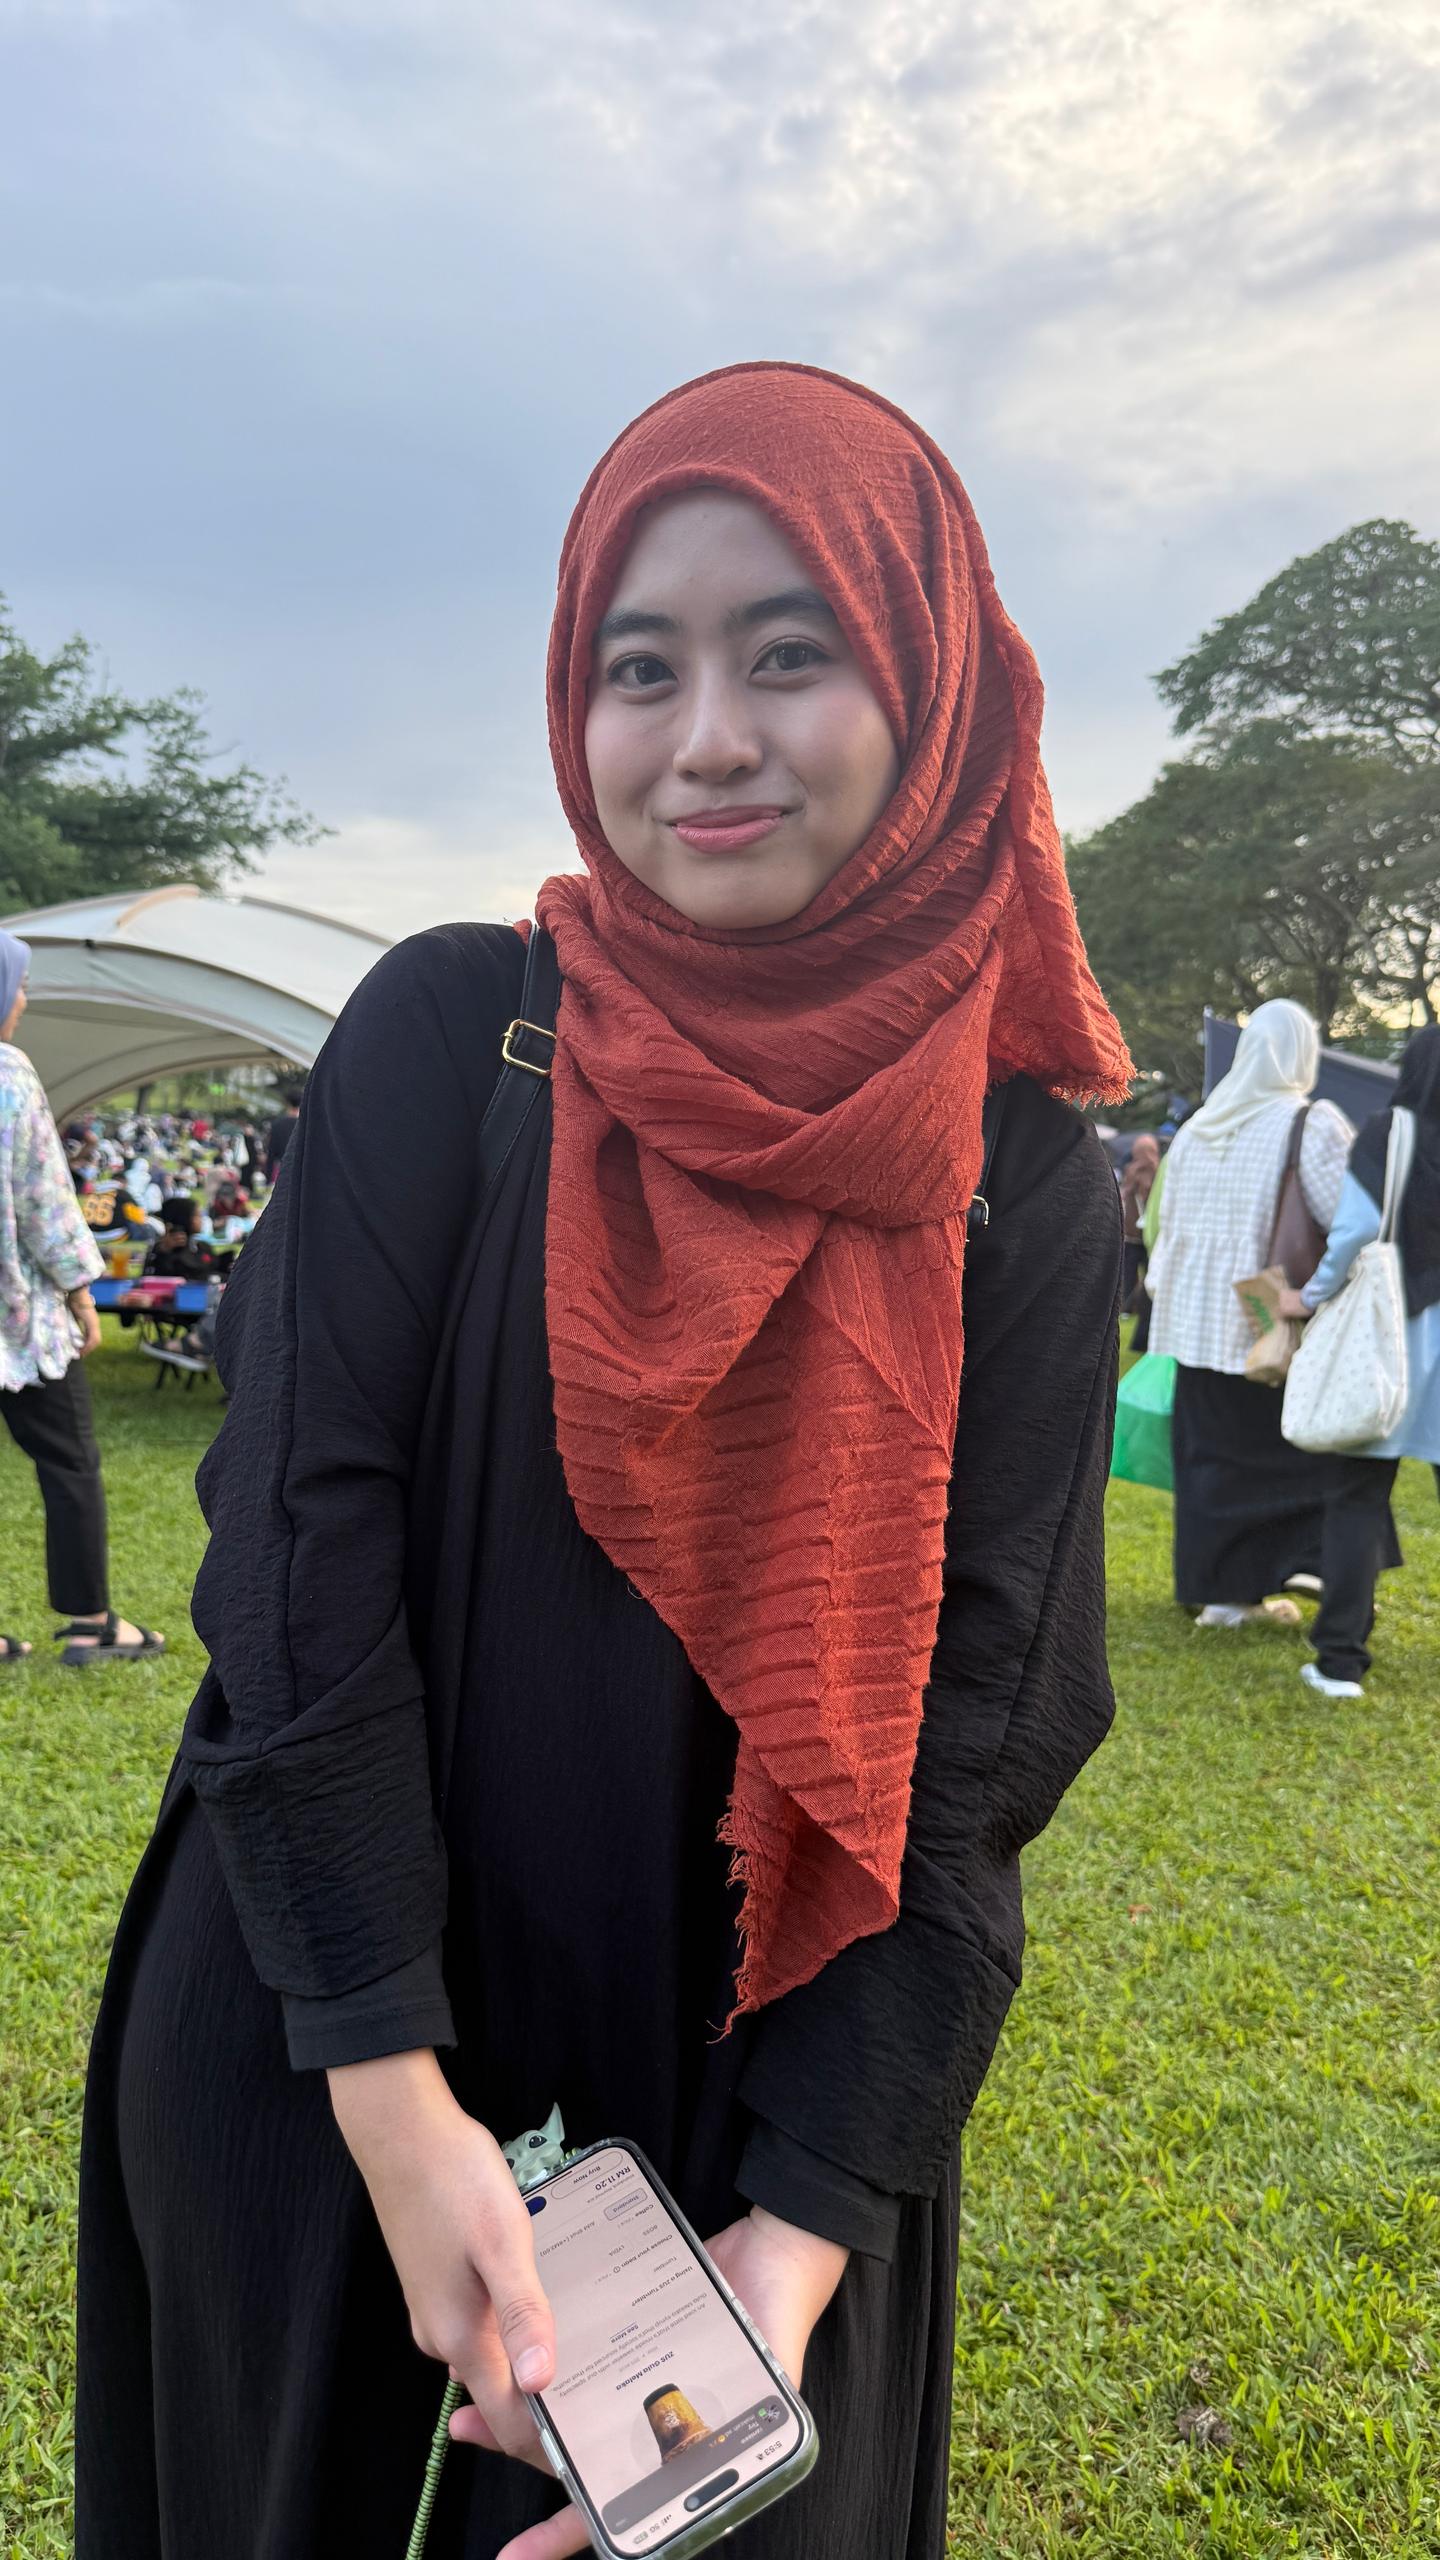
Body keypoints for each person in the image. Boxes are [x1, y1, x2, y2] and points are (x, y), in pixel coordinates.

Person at [78, 363, 1131, 2560]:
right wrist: (396, 2099)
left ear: (931, 677)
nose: (706, 737)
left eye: (790, 650)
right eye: (640, 667)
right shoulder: (450, 1028)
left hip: (748, 2114)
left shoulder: (1019, 1176)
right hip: (327, 2026)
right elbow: (292, 1552)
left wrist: (799, 2238)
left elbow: (985, 1726)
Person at [1146, 998, 1398, 1639]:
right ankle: (1314, 1564)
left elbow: (1165, 1225)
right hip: (1272, 1319)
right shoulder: (1311, 1122)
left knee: (1212, 1462)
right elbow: (1353, 1219)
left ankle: (1224, 1597)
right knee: (1311, 1451)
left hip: (1194, 1320)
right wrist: (1321, 1291)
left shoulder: (1198, 1128)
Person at [0, 927, 164, 1666]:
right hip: (19, 1319)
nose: (23, 1000)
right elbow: (43, 1201)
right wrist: (82, 1296)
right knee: (69, 1461)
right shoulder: (9, 1074)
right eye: (19, 985)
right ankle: (92, 1623)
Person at [1275, 1024, 1440, 1697]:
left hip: (1391, 1336)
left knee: (1356, 1499)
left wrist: (1309, 1296)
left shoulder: (1388, 1132)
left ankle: (1340, 1660)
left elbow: (1354, 1231)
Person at [1119, 1131, 1161, 1351]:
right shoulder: (1158, 1170)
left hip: (1134, 1231)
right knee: (1145, 1274)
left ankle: (1128, 1307)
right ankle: (1131, 1307)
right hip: (1145, 1232)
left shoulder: (1134, 1169)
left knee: (1133, 1272)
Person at [264, 1092, 301, 1183]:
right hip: (300, 1171)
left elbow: (271, 1151)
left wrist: (268, 1177)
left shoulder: (277, 1124)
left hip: (281, 1170)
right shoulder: (306, 1125)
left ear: (287, 1104)